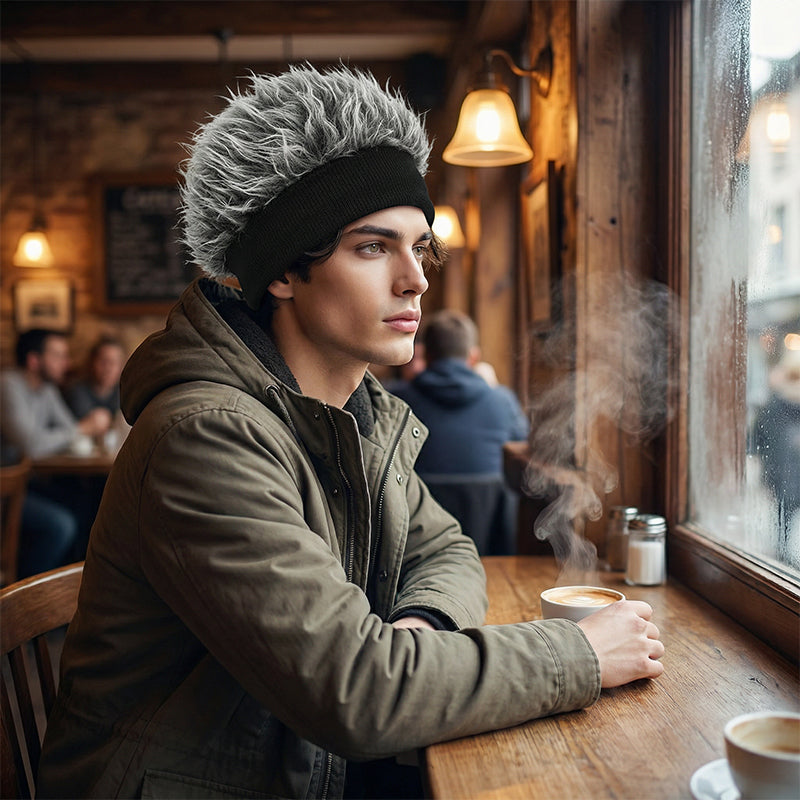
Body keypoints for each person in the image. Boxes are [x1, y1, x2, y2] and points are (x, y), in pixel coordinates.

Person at [37, 65, 664, 800]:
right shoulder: (205, 439)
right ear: (282, 273)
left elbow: (448, 549)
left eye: (419, 246)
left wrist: (419, 629)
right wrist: (577, 656)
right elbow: (358, 695)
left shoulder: (354, 410)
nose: (416, 279)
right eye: (373, 248)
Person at [390, 309, 529, 554]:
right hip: (491, 551)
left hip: (415, 551)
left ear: (426, 355)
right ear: (473, 357)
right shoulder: (502, 401)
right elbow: (520, 450)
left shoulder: (394, 400)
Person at [0, 329, 112, 576]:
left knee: (89, 503)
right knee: (60, 525)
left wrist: (79, 430)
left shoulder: (47, 389)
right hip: (5, 490)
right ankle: (29, 599)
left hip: (27, 483)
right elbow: (30, 445)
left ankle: (78, 591)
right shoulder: (7, 385)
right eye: (59, 356)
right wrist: (84, 427)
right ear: (33, 360)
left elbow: (70, 431)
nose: (67, 363)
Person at [751, 344, 800, 565]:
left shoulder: (776, 406)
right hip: (782, 475)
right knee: (784, 517)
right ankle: (782, 557)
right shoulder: (775, 407)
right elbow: (759, 440)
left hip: (785, 474)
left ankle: (784, 556)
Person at [65, 335, 126, 419]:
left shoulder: (125, 395)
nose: (108, 368)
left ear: (122, 367)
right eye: (103, 361)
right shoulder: (77, 391)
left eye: (113, 363)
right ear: (92, 363)